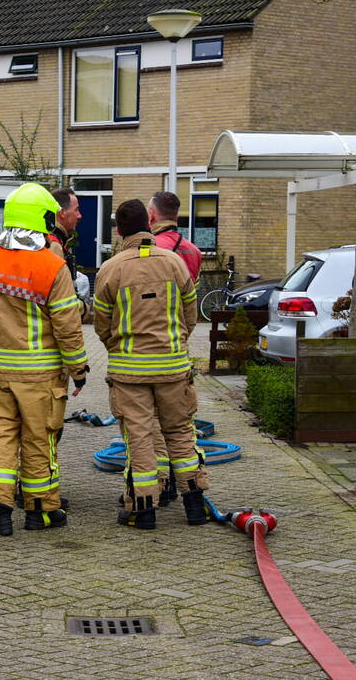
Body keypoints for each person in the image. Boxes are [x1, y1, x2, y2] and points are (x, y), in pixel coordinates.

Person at [0, 182, 88, 536]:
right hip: (40, 376)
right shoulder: (52, 265)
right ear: (43, 217)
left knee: (0, 437)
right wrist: (79, 369)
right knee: (38, 440)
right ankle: (40, 512)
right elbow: (67, 325)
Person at [94, 199, 211, 530]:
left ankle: (143, 510)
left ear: (118, 231)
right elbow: (190, 315)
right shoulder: (175, 263)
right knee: (180, 433)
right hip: (173, 368)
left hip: (129, 373)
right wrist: (175, 344)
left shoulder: (110, 269)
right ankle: (195, 505)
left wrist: (118, 347)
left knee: (140, 437)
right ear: (149, 222)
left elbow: (102, 324)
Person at [146, 190, 203, 505]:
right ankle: (191, 491)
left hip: (148, 347)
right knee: (181, 423)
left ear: (152, 216)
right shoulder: (193, 252)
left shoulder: (150, 249)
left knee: (151, 422)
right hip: (178, 346)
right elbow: (190, 307)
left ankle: (161, 486)